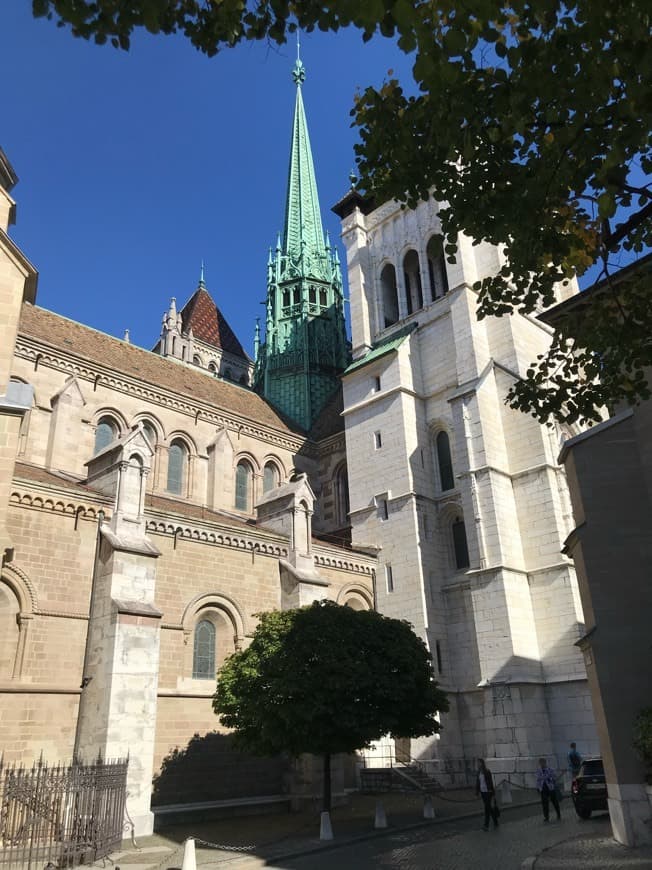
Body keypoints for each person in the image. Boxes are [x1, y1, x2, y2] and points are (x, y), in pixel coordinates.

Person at [476, 758, 499, 831]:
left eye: (479, 763)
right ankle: (495, 821)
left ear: (482, 763)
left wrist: (492, 792)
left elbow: (490, 782)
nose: (478, 764)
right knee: (489, 808)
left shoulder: (487, 771)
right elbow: (478, 782)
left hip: (488, 792)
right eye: (477, 763)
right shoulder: (479, 772)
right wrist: (477, 791)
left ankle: (486, 825)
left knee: (487, 808)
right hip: (483, 792)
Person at [536, 757, 561, 822]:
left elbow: (554, 777)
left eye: (543, 763)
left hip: (550, 787)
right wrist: (538, 788)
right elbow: (538, 780)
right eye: (540, 763)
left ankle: (558, 814)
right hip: (543, 788)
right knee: (544, 803)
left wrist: (550, 779)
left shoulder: (550, 769)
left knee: (554, 801)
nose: (542, 764)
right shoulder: (538, 771)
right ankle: (546, 817)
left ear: (545, 762)